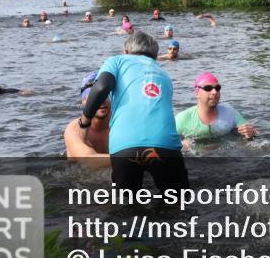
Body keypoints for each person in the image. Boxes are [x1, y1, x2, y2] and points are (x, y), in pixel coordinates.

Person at [77, 31, 188, 192]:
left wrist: (85, 121)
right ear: (155, 56)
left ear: (126, 51)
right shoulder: (164, 73)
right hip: (165, 144)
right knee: (179, 203)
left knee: (126, 207)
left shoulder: (116, 61)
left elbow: (101, 87)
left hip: (125, 145)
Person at [175, 72, 257, 145]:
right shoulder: (181, 120)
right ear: (197, 93)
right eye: (208, 88)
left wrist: (251, 133)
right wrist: (180, 146)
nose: (214, 92)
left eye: (217, 88)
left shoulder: (230, 113)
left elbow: (253, 133)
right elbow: (164, 144)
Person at [64, 72, 111, 169]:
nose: (101, 101)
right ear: (83, 101)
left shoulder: (120, 124)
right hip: (83, 181)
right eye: (94, 97)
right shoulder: (73, 130)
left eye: (104, 95)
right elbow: (89, 161)